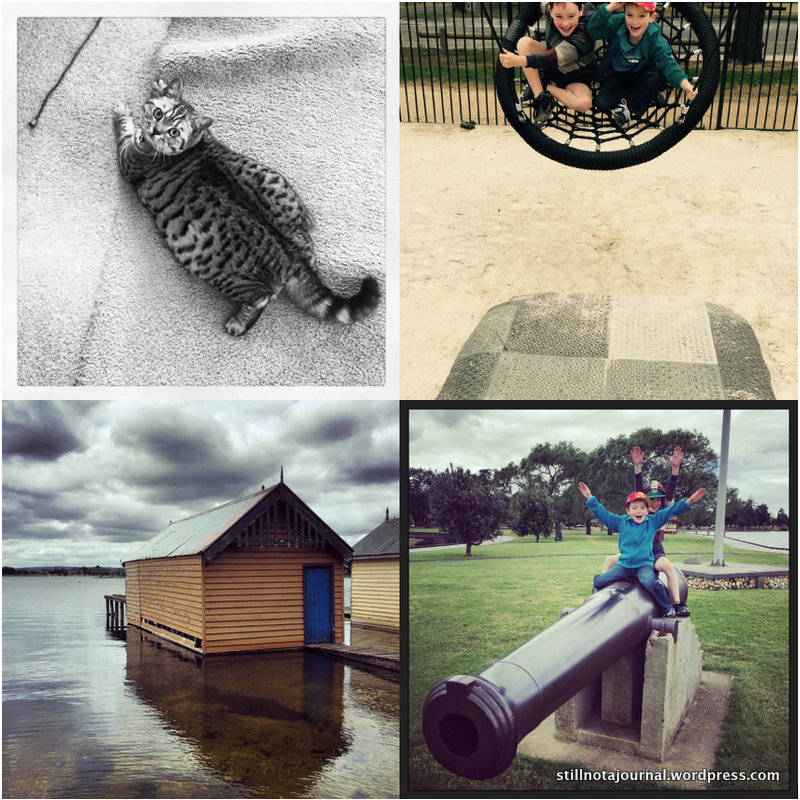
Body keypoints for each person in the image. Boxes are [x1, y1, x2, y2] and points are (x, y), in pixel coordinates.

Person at [578, 481, 705, 617]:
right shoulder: (621, 522)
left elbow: (671, 511)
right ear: (628, 510)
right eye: (635, 508)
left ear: (647, 510)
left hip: (643, 565)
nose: (639, 511)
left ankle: (667, 608)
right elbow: (603, 515)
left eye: (643, 507)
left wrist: (689, 501)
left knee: (650, 582)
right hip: (624, 565)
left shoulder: (652, 521)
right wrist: (590, 498)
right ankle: (598, 598)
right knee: (599, 581)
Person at [601, 446, 690, 616]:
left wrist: (675, 469)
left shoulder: (662, 514)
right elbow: (638, 490)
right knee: (609, 560)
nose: (655, 503)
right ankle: (602, 594)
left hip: (654, 550)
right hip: (636, 551)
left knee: (668, 568)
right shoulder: (641, 511)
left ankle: (678, 603)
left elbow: (670, 492)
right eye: (651, 499)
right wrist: (637, 467)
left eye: (659, 500)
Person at [587, 1, 698, 127]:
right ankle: (648, 95)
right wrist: (610, 8)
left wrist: (686, 85)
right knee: (601, 103)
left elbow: (668, 63)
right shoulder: (617, 23)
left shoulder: (653, 36)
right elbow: (593, 31)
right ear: (624, 13)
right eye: (630, 15)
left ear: (652, 17)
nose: (635, 22)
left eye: (641, 16)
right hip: (620, 75)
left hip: (644, 74)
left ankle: (628, 107)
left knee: (656, 74)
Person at [499, 2, 597, 125]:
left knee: (584, 103)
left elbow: (554, 57)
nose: (565, 23)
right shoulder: (549, 6)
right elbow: (536, 6)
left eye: (571, 16)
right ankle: (540, 98)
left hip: (577, 77)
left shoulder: (585, 28)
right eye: (559, 17)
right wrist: (517, 27)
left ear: (581, 10)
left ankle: (545, 86)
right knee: (524, 43)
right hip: (552, 69)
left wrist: (520, 60)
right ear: (550, 11)